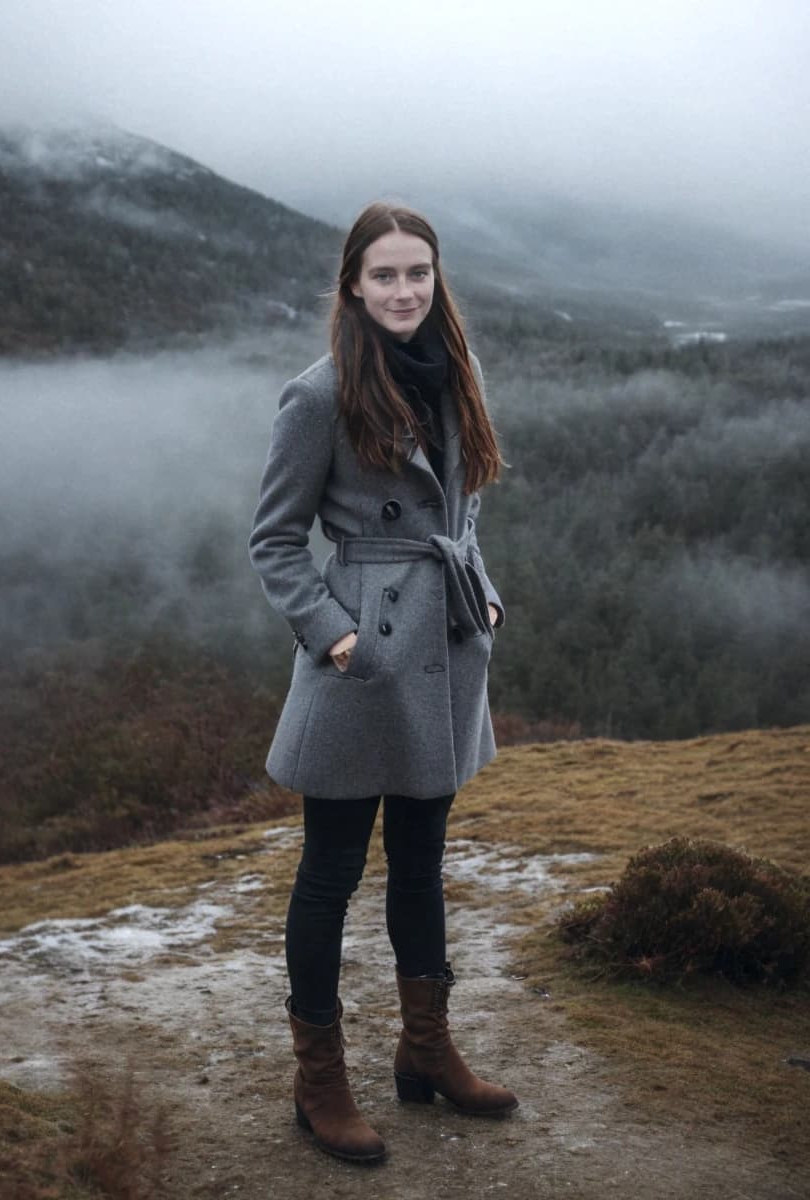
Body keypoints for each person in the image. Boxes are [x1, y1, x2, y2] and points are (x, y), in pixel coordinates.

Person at [248, 201, 518, 1165]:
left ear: (436, 280)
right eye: (385, 276)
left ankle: (425, 1052)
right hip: (363, 659)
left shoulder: (461, 375)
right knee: (328, 874)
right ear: (353, 287)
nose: (405, 291)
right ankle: (319, 1083)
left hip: (444, 641)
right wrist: (335, 638)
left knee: (420, 861)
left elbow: (463, 508)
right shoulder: (317, 395)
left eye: (419, 273)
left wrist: (481, 594)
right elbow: (275, 540)